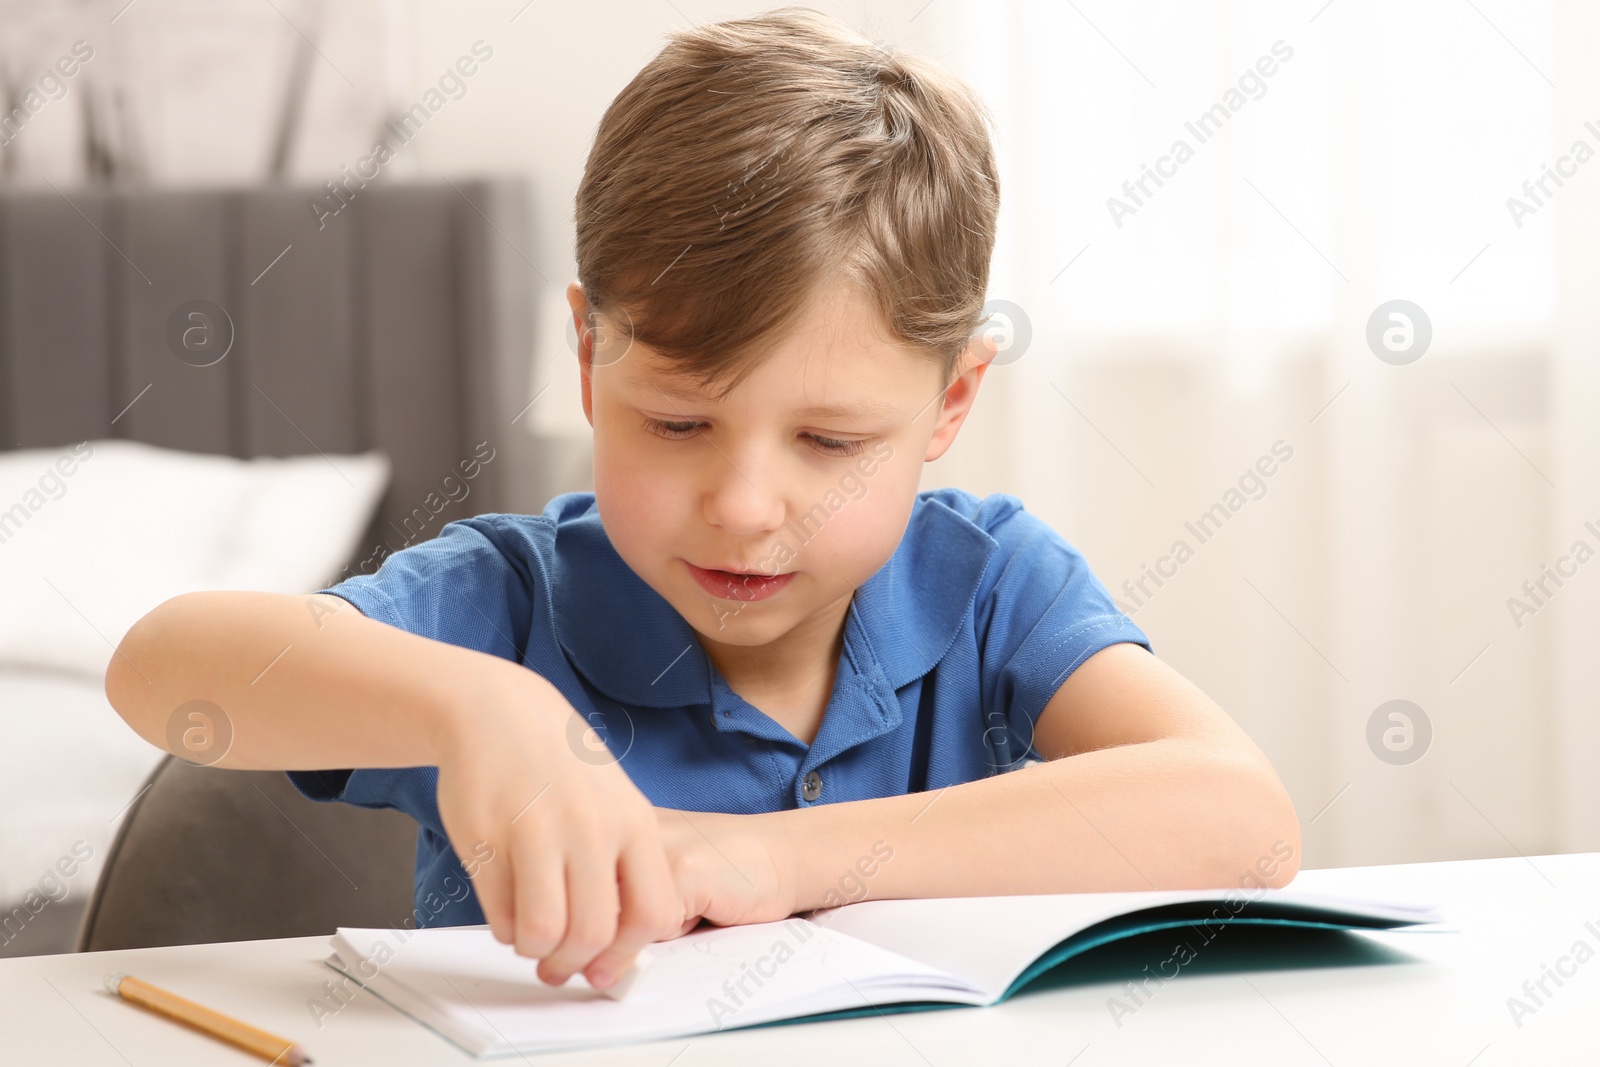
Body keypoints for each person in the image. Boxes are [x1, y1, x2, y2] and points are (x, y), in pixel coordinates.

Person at [106, 6, 1299, 996]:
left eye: (831, 440)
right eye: (677, 422)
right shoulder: (507, 605)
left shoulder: (990, 585)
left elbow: (1241, 818)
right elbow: (163, 666)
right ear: (586, 361)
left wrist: (774, 860)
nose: (739, 503)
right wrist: (478, 711)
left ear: (950, 401)